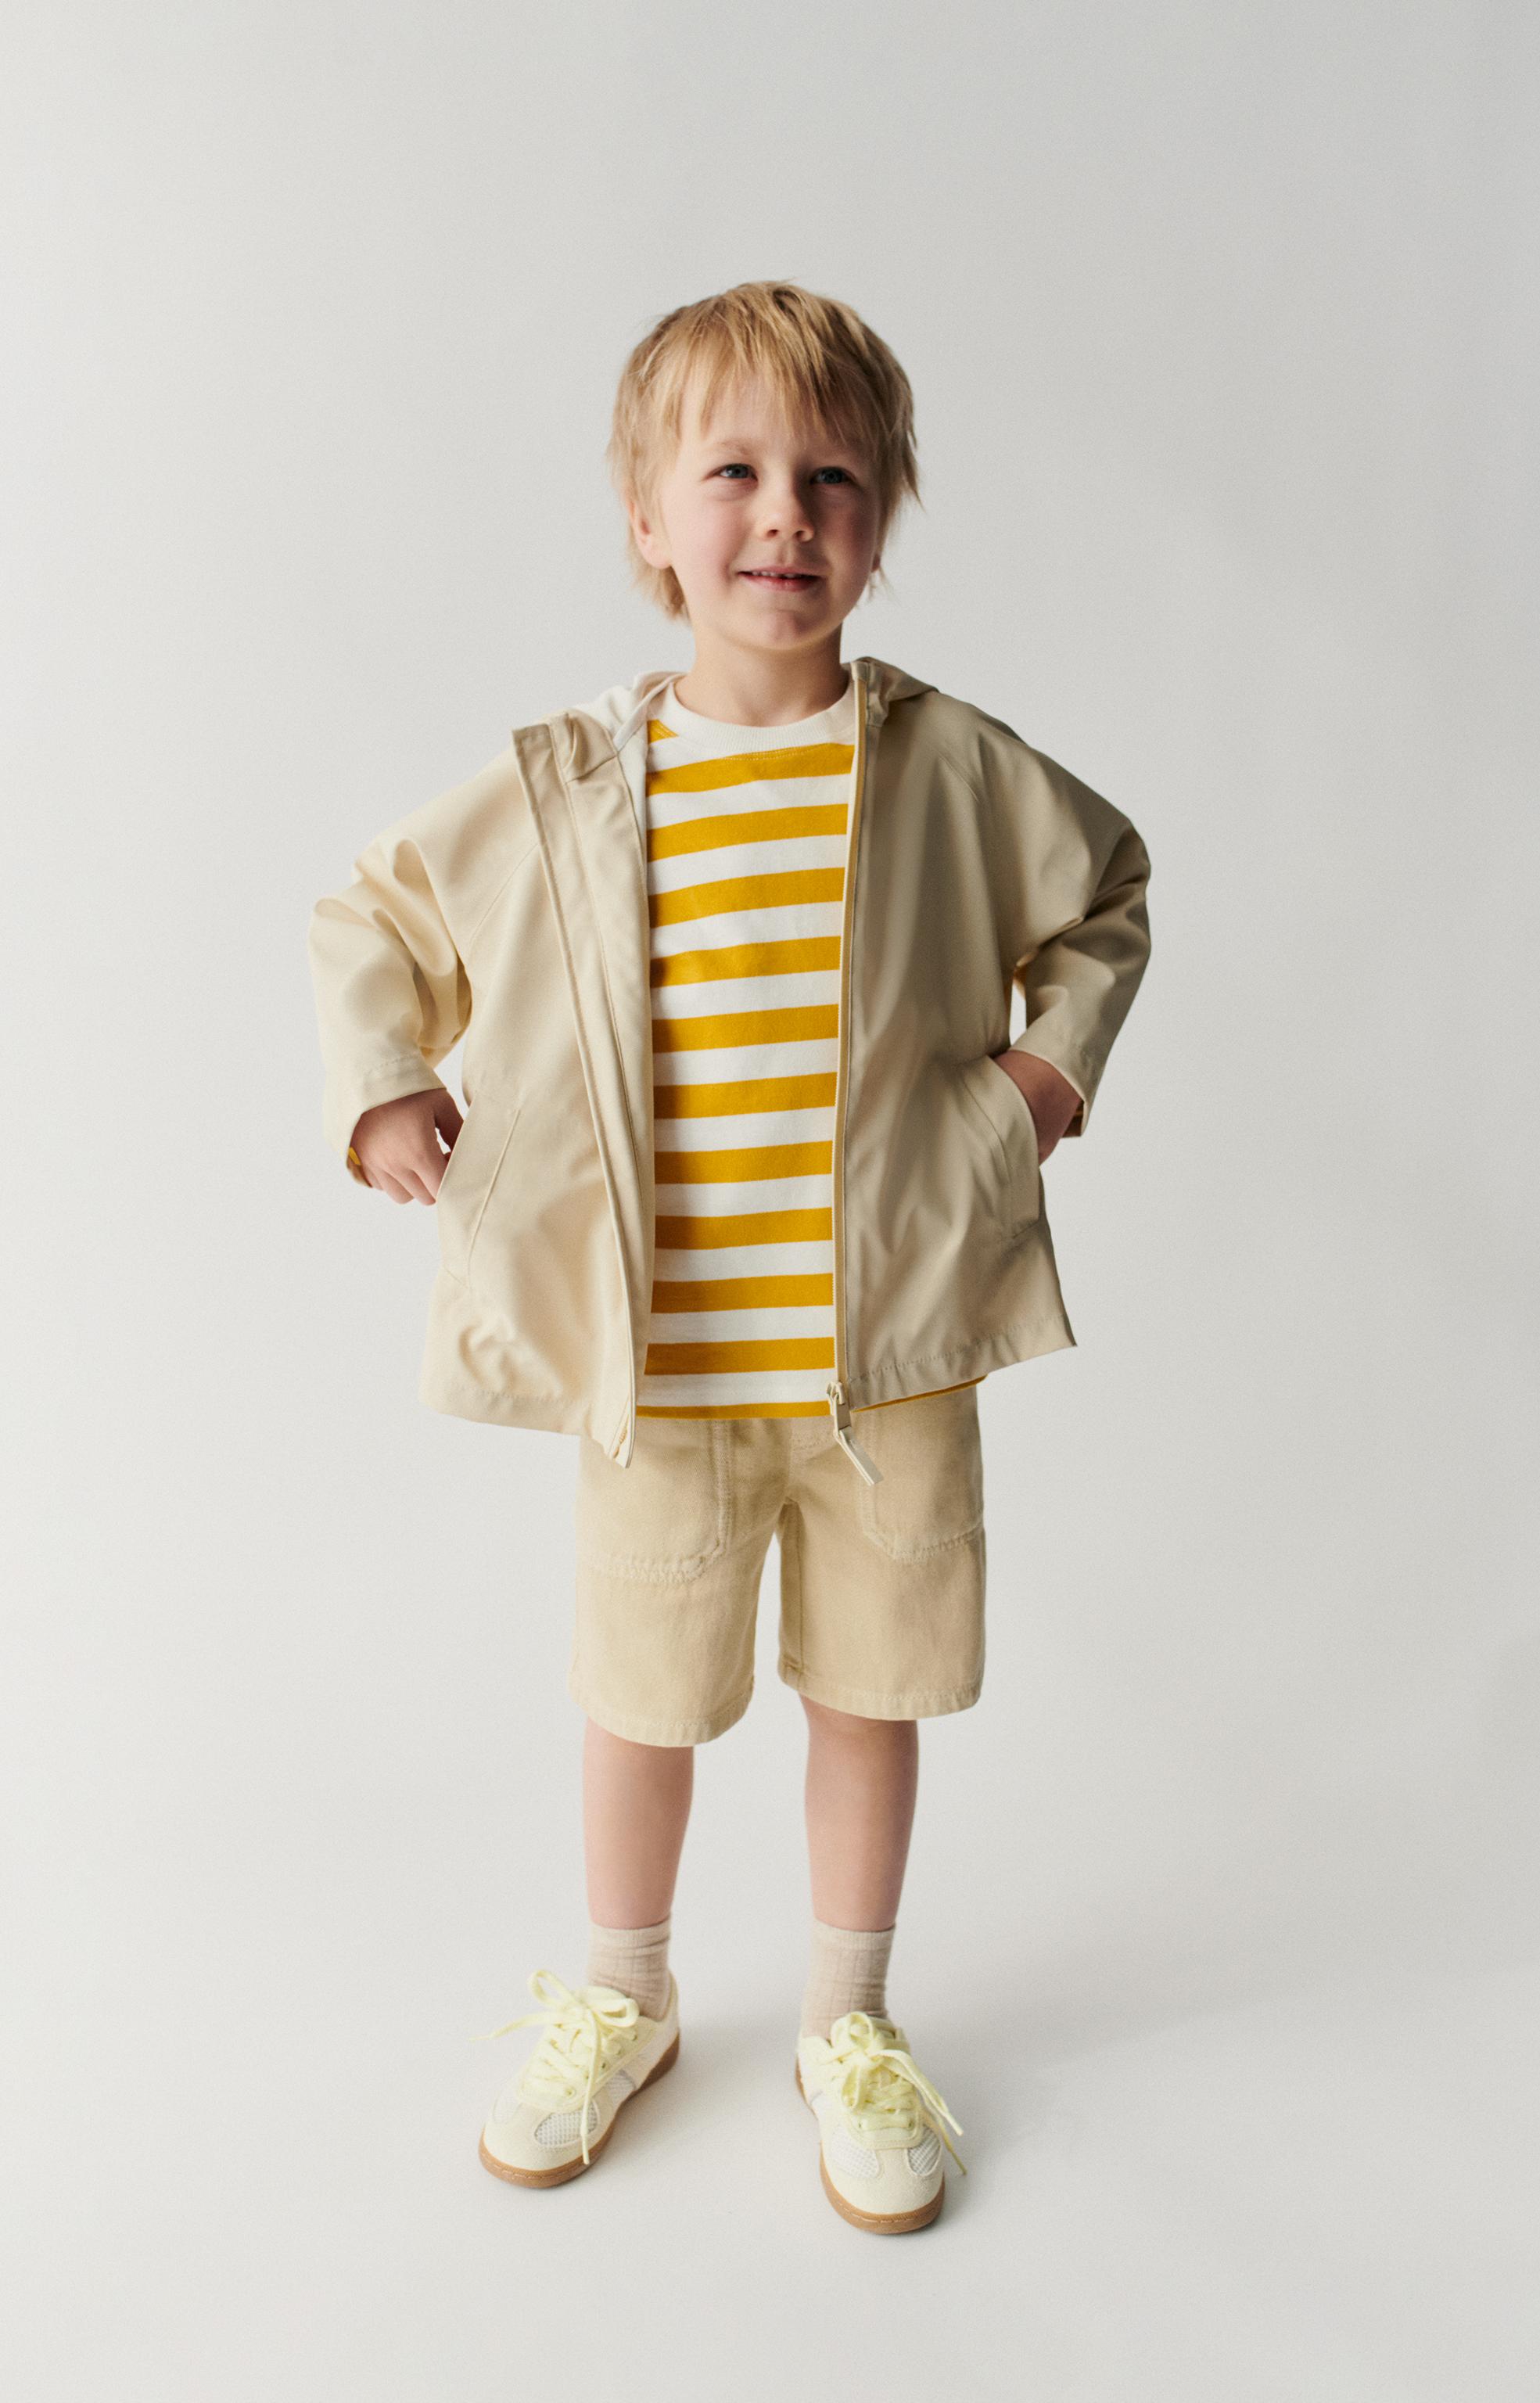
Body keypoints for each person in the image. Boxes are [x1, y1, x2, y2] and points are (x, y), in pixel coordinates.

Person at [306, 280, 1153, 2233]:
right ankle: (625, 1991)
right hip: (661, 1361)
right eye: (737, 474)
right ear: (647, 519)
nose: (787, 513)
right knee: (641, 1697)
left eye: (834, 478)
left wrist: (1042, 1076)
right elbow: (374, 916)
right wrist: (383, 1085)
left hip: (889, 1354)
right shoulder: (574, 783)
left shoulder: (941, 767)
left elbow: (1102, 887)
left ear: (882, 518)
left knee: (871, 1693)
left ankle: (849, 2020)